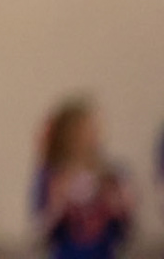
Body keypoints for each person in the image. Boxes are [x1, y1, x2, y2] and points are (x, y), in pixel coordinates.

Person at [34, 97, 132, 259]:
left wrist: (119, 204)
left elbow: (125, 226)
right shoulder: (52, 175)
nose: (95, 134)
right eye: (88, 128)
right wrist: (58, 205)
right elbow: (40, 230)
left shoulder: (112, 174)